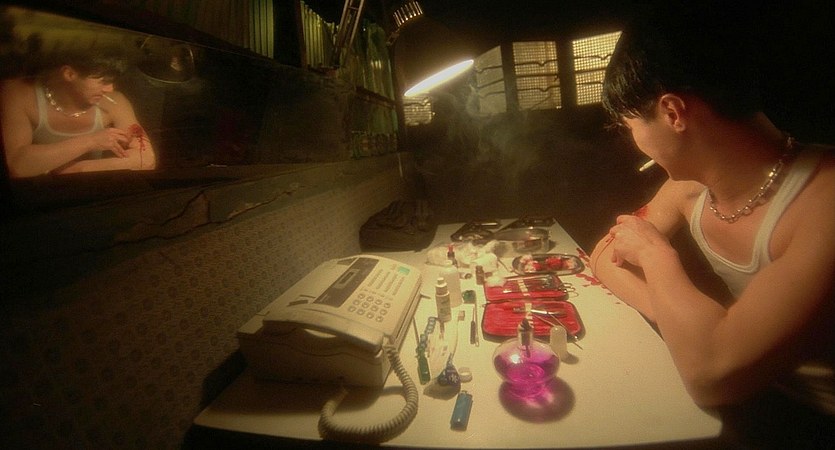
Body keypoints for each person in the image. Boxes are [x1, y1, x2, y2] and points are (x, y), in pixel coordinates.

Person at [589, 5, 834, 447]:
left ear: (673, 112)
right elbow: (605, 255)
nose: (636, 142)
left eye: (630, 125)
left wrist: (656, 256)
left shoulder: (824, 201)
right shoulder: (686, 189)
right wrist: (688, 326)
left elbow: (710, 376)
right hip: (756, 401)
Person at [0, 46, 156, 178]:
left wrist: (78, 169)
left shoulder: (115, 102)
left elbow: (146, 159)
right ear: (69, 74)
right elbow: (16, 165)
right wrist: (91, 141)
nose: (110, 89)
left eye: (112, 81)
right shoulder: (20, 94)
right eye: (103, 81)